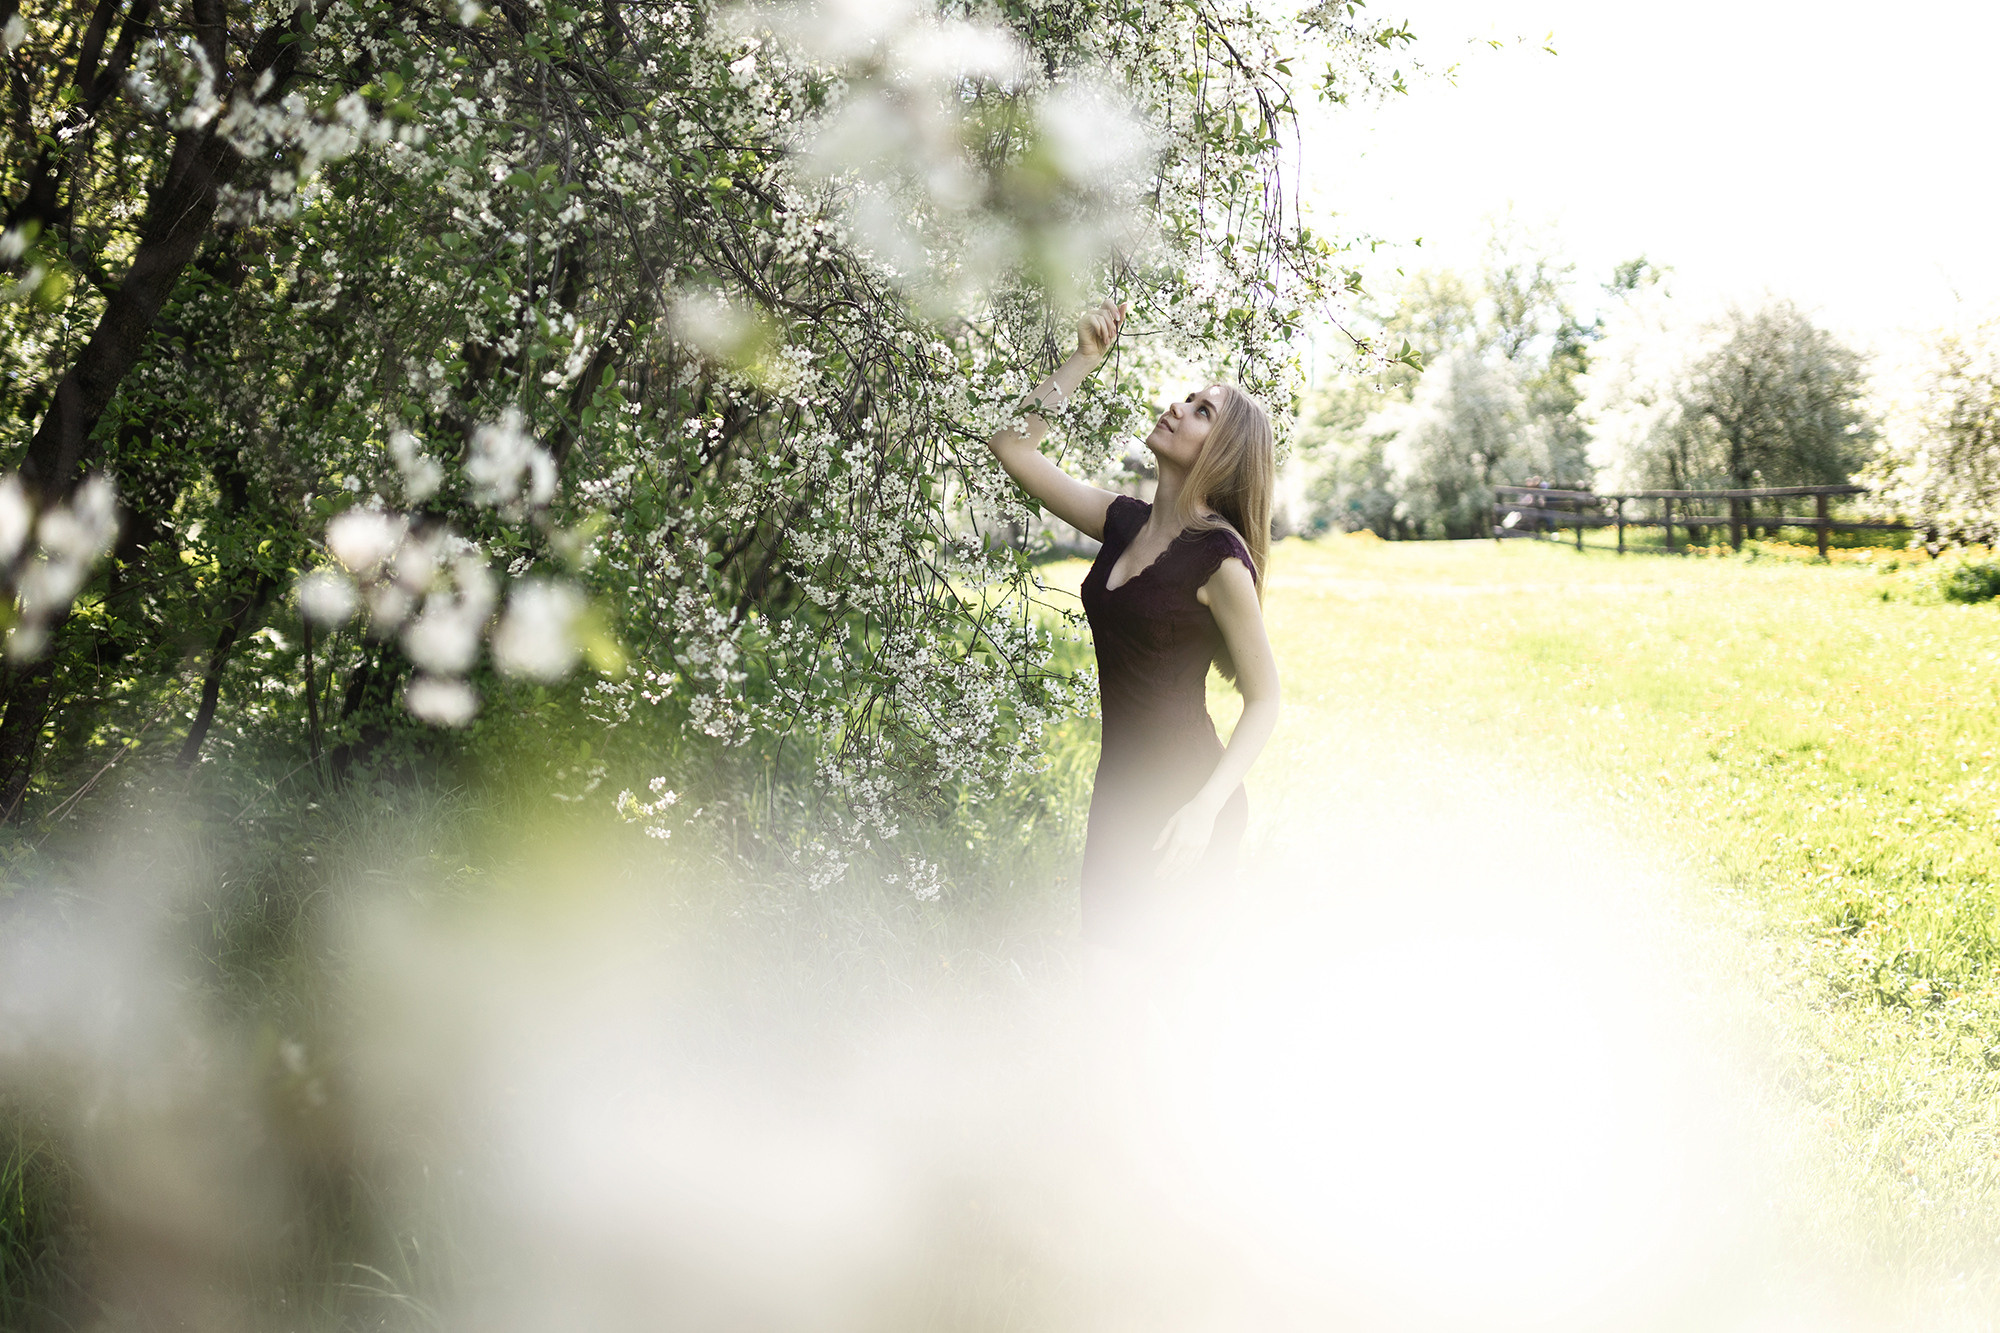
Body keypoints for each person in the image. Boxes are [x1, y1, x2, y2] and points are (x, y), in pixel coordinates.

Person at [985, 300, 1282, 954]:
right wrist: (1085, 356)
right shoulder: (1122, 520)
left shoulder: (1220, 559)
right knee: (1109, 976)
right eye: (1187, 398)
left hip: (1186, 805)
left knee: (1166, 996)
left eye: (1203, 410)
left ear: (1226, 454)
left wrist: (1206, 807)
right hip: (1119, 788)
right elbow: (1010, 444)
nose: (1178, 407)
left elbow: (1265, 698)